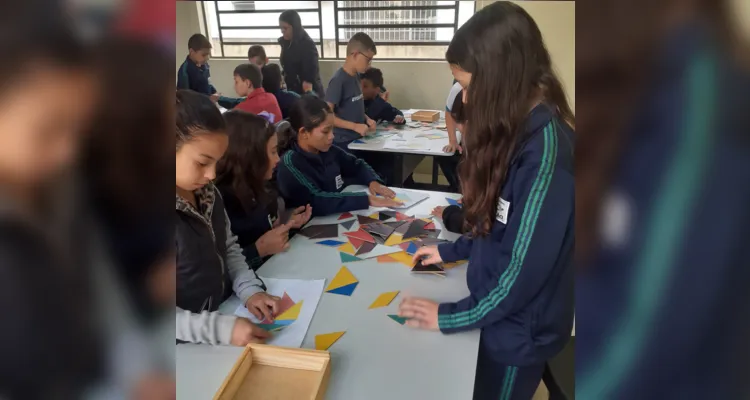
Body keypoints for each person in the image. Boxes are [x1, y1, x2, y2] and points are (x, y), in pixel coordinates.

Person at [398, 3, 575, 400]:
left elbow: (520, 274)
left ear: (501, 80)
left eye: (467, 84)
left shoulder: (546, 157)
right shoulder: (512, 131)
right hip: (491, 315)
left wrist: (449, 315)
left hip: (516, 335)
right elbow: (496, 225)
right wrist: (452, 249)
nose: (464, 97)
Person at [175, 90, 281, 346]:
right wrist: (218, 329)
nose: (212, 175)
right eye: (202, 163)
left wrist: (250, 291)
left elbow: (229, 248)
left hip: (218, 322)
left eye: (217, 162)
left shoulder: (208, 194)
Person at [216, 110, 312, 270]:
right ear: (249, 156)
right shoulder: (220, 202)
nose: (277, 159)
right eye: (273, 152)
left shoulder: (258, 187)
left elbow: (261, 232)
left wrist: (284, 225)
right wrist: (258, 250)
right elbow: (217, 277)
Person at [276, 96, 402, 216]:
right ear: (304, 132)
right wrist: (365, 200)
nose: (332, 136)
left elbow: (356, 165)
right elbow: (316, 199)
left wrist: (373, 181)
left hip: (334, 218)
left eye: (332, 130)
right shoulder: (290, 163)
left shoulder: (328, 150)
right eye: (326, 131)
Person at [325, 32, 378, 145]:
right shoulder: (338, 80)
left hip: (357, 138)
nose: (369, 64)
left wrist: (367, 119)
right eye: (368, 60)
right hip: (343, 142)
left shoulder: (357, 76)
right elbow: (327, 116)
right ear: (355, 54)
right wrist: (354, 126)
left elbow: (353, 107)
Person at [278, 10, 324, 97]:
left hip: (307, 92)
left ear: (295, 27)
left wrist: (307, 92)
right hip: (293, 89)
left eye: (285, 28)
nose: (282, 31)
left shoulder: (307, 45)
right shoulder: (285, 43)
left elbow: (310, 74)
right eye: (281, 28)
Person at [435, 86, 466, 193]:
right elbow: (449, 112)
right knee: (445, 156)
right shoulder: (457, 88)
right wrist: (453, 141)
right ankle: (457, 189)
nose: (460, 127)